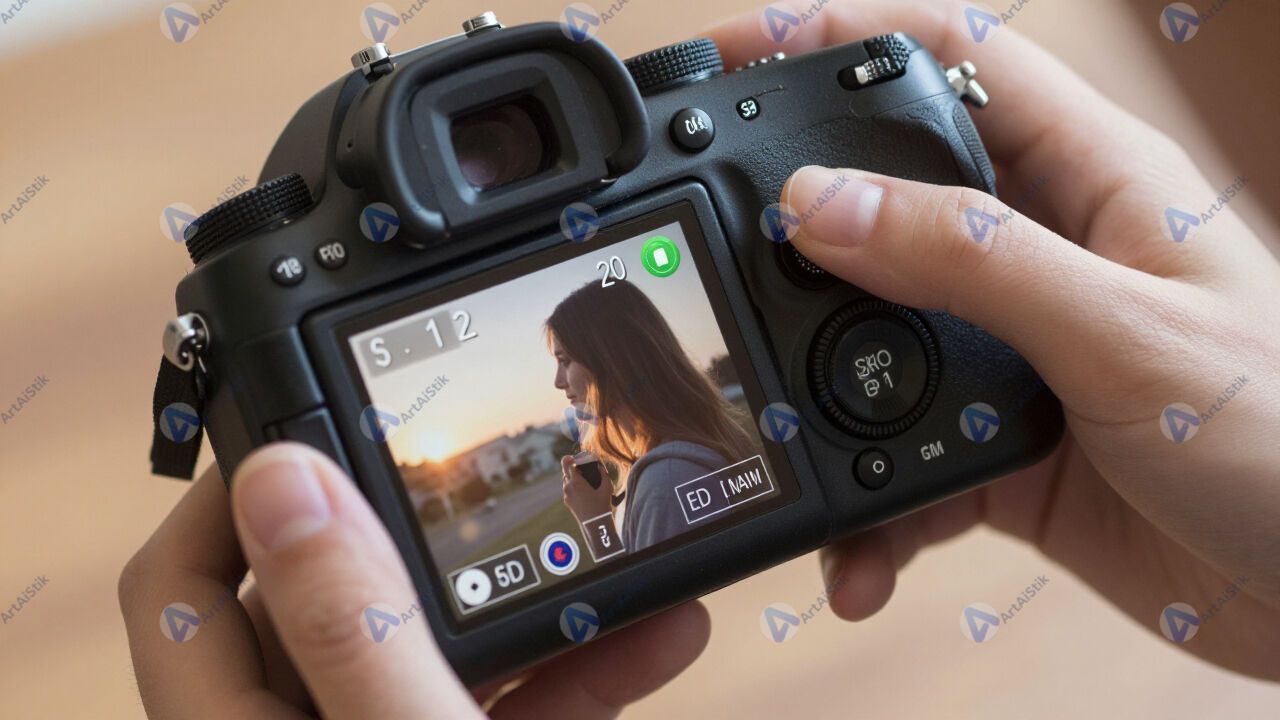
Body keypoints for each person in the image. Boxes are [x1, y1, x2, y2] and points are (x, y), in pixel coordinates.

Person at [119, 2, 1280, 716]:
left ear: (613, 363)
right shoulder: (692, 456)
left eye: (567, 367)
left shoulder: (666, 486)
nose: (558, 390)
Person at [546, 279, 756, 552]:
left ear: (612, 360)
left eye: (565, 361)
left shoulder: (669, 481)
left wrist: (596, 524)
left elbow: (653, 583)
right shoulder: (667, 464)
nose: (558, 381)